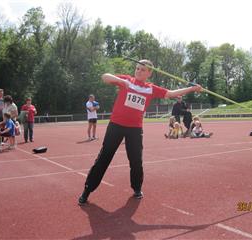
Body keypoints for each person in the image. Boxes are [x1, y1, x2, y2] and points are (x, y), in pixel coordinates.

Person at [78, 59, 202, 205]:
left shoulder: (150, 88)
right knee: (104, 157)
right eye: (137, 68)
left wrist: (192, 89)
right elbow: (105, 76)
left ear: (149, 73)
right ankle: (87, 190)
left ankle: (137, 188)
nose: (138, 71)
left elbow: (171, 93)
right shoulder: (127, 80)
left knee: (136, 160)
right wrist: (120, 81)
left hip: (135, 129)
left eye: (143, 70)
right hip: (116, 126)